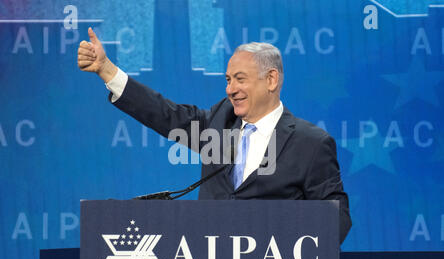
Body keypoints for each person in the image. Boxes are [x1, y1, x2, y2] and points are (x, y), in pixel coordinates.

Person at [77, 27, 352, 244]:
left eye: (240, 79)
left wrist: (295, 254)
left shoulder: (311, 143)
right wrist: (107, 71)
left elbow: (336, 217)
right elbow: (165, 114)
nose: (231, 89)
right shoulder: (220, 122)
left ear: (271, 80)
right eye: (228, 80)